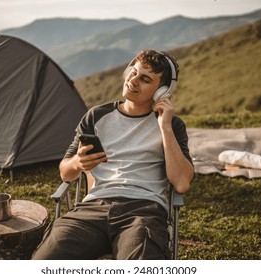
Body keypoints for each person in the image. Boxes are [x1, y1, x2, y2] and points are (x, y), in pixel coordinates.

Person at [32, 49, 194, 260]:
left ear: (161, 92)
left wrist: (165, 127)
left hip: (142, 213)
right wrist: (77, 163)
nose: (133, 81)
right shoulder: (96, 116)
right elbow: (65, 173)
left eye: (145, 79)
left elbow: (181, 183)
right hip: (92, 208)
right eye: (133, 72)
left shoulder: (172, 125)